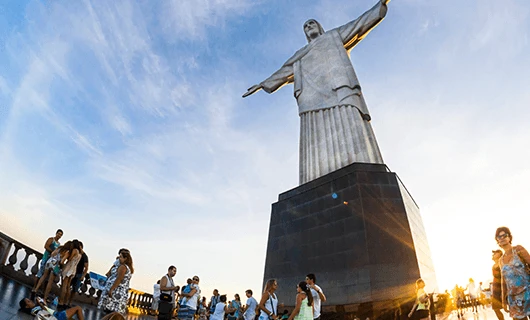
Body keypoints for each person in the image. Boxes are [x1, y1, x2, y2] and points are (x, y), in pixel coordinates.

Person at [243, 0, 390, 184]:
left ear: (319, 26)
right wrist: (262, 84)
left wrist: (380, 5)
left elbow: (359, 24)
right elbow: (284, 71)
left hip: (339, 90)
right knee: (315, 140)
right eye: (305, 26)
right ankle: (316, 179)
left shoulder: (334, 36)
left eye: (311, 23)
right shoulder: (301, 53)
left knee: (349, 124)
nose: (308, 26)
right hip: (311, 101)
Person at [495, 226, 530, 320]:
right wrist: (503, 300)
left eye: (504, 235)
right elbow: (503, 282)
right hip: (514, 300)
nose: (502, 238)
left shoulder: (518, 249)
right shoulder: (500, 261)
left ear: (509, 237)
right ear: (497, 241)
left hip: (528, 293)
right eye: (499, 237)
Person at [98, 249, 134, 315]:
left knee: (109, 310)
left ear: (125, 258)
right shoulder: (128, 268)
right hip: (120, 292)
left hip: (116, 291)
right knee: (112, 312)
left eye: (120, 257)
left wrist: (111, 289)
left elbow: (119, 279)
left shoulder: (123, 267)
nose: (119, 258)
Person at [59, 239, 82, 309]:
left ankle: (61, 302)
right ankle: (66, 302)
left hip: (69, 267)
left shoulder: (74, 250)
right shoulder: (80, 254)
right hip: (73, 269)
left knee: (64, 286)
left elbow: (70, 259)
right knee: (68, 286)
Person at [19, 296, 84, 320]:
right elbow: (43, 312)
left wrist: (44, 303)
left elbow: (46, 310)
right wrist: (41, 304)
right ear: (26, 306)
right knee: (78, 308)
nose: (31, 301)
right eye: (28, 301)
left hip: (55, 315)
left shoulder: (36, 307)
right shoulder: (33, 310)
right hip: (57, 316)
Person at [67, 241, 89, 307]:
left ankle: (70, 302)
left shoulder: (84, 256)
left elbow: (86, 267)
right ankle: (66, 300)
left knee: (74, 289)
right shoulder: (76, 253)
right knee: (68, 286)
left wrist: (83, 275)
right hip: (72, 271)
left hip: (78, 274)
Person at [491, 249, 505, 320]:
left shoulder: (502, 263)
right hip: (496, 289)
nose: (493, 255)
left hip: (502, 287)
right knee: (496, 308)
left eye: (495, 253)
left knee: (511, 307)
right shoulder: (494, 265)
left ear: (499, 254)